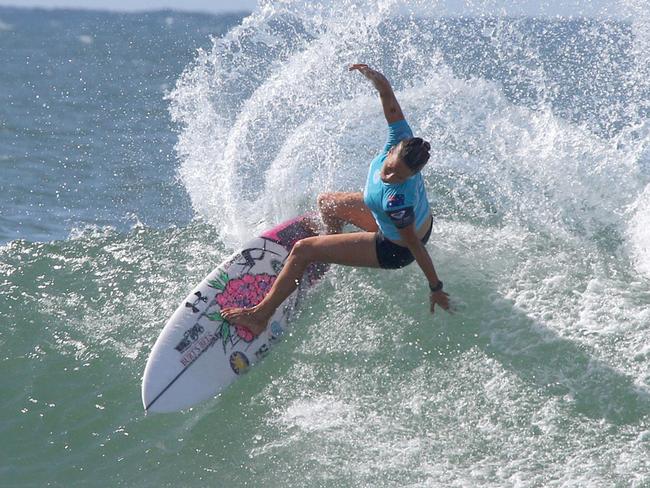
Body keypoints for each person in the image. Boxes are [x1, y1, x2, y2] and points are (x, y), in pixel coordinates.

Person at [222, 64, 450, 335]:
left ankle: (259, 316)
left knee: (303, 250)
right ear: (394, 149)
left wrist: (435, 287)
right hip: (396, 222)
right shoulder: (401, 138)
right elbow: (389, 99)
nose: (389, 176)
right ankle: (328, 251)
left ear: (411, 176)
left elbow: (414, 246)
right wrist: (377, 79)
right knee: (326, 202)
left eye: (399, 177)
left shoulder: (396, 202)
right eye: (389, 168)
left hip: (394, 247)